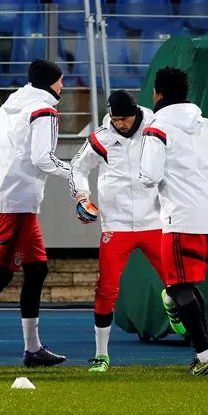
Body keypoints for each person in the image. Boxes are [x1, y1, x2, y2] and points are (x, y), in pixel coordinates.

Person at [0, 59, 69, 369]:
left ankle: (33, 348)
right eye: (60, 81)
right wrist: (73, 173)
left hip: (8, 198)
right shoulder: (43, 110)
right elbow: (43, 158)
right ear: (49, 83)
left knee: (37, 270)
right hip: (18, 204)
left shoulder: (9, 106)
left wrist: (4, 175)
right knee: (1, 273)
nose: (62, 87)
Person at [139, 67, 208, 375]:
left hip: (181, 218)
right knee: (186, 284)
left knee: (178, 285)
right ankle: (205, 348)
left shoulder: (157, 129)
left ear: (158, 94)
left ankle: (205, 353)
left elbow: (149, 176)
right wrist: (207, 188)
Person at [69, 90, 164, 372]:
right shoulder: (102, 136)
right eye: (115, 118)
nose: (119, 124)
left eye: (124, 118)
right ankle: (101, 356)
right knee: (106, 289)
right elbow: (77, 166)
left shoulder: (157, 127)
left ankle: (201, 348)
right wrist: (82, 197)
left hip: (156, 220)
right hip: (116, 224)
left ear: (135, 112)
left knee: (177, 282)